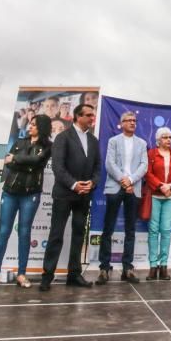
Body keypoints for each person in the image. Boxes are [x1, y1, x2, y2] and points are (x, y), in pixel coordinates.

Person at [0, 114, 53, 289]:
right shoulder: (20, 142)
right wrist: (19, 161)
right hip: (10, 192)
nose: (30, 127)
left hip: (31, 194)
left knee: (24, 232)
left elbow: (37, 161)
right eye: (30, 123)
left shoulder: (48, 146)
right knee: (3, 232)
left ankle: (22, 274)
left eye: (35, 125)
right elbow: (9, 163)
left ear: (42, 127)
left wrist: (16, 159)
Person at [39, 104, 101, 291]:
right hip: (65, 194)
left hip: (84, 196)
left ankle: (74, 275)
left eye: (93, 115)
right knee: (56, 234)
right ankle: (47, 276)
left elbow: (98, 168)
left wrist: (92, 183)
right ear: (77, 117)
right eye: (89, 115)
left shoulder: (93, 140)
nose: (92, 118)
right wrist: (74, 184)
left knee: (78, 235)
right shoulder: (63, 137)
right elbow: (58, 167)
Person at [97, 111, 148, 285]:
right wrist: (123, 180)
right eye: (129, 120)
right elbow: (109, 163)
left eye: (134, 120)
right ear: (122, 123)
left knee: (130, 229)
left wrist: (131, 180)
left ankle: (128, 268)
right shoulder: (113, 141)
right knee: (108, 228)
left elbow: (144, 165)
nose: (133, 123)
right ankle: (104, 267)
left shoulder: (142, 143)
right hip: (115, 187)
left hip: (133, 188)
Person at [144, 127, 171, 281]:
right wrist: (161, 186)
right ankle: (153, 266)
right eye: (165, 137)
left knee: (166, 230)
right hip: (155, 195)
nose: (169, 140)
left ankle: (164, 266)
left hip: (170, 196)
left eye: (170, 137)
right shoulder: (151, 153)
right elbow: (148, 173)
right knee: (153, 230)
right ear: (158, 140)